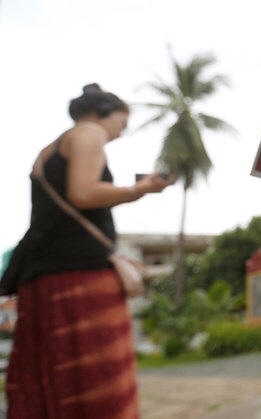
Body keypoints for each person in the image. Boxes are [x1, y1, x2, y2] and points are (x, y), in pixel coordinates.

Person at [0, 84, 174, 418]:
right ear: (103, 113)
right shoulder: (90, 133)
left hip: (43, 275)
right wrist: (141, 188)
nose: (121, 131)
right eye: (122, 122)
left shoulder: (48, 150)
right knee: (98, 384)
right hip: (81, 277)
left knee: (49, 378)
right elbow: (82, 193)